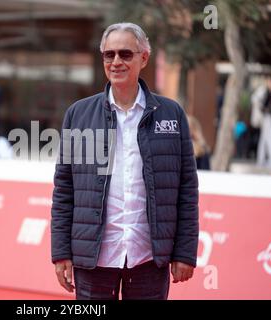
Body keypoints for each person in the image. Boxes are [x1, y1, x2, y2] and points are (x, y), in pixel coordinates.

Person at [51, 22, 199, 300]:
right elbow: (65, 190)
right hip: (93, 259)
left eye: (125, 54)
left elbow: (186, 190)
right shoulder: (78, 115)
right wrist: (61, 252)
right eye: (109, 55)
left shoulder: (172, 114)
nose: (116, 61)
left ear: (144, 58)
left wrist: (184, 252)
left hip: (148, 258)